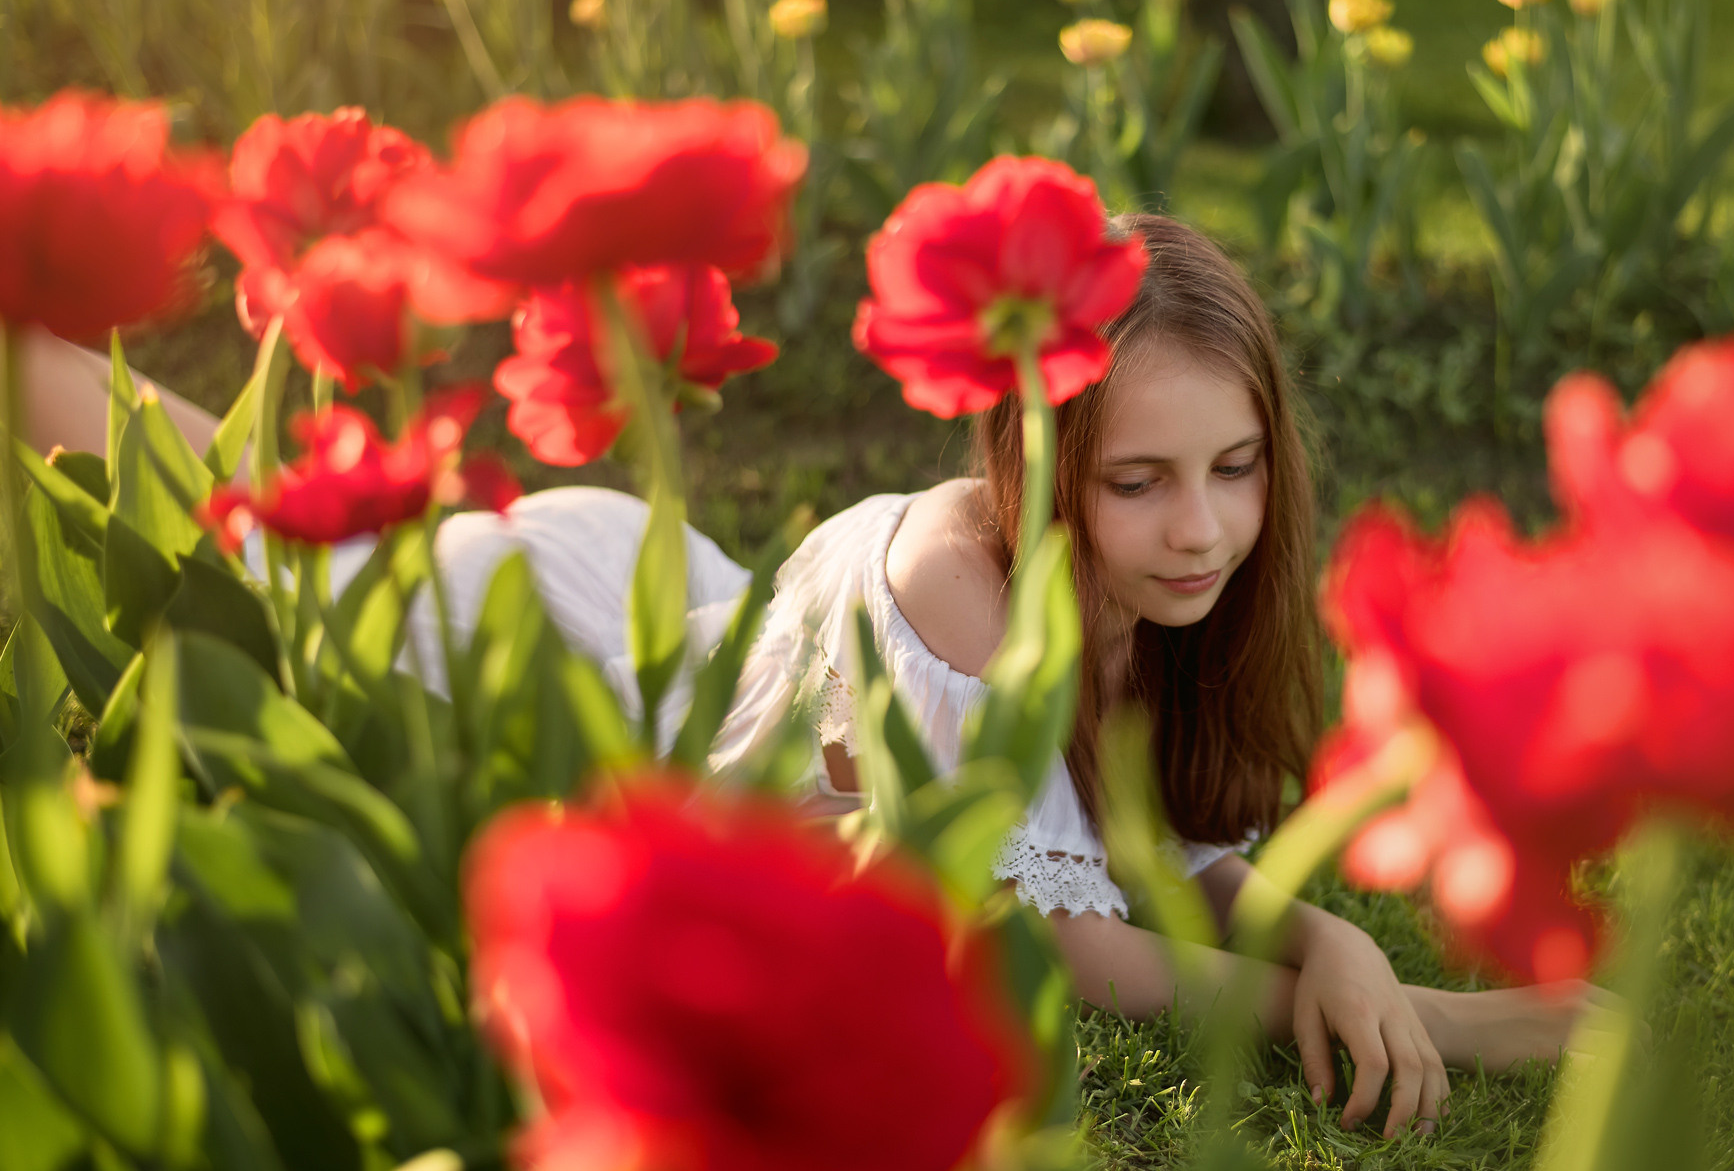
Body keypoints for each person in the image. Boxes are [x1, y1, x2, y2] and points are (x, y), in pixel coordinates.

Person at [15, 214, 1610, 1141]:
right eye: (1140, 481)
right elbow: (1059, 943)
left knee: (229, 474)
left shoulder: (1163, 605)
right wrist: (1454, 1019)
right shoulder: (958, 589)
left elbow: (1156, 858)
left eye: (1237, 467)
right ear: (1044, 461)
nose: (1201, 529)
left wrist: (1328, 932)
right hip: (530, 658)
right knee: (203, 507)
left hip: (661, 601)